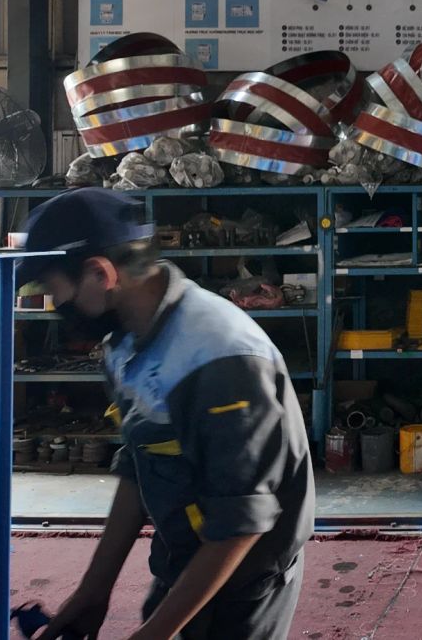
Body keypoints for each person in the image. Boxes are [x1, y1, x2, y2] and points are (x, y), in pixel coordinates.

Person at [20, 188, 315, 640]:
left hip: (243, 581)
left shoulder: (220, 359)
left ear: (100, 273)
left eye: (55, 291)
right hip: (183, 558)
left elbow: (240, 525)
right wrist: (94, 590)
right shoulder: (123, 342)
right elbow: (139, 463)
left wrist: (153, 635)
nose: (59, 308)